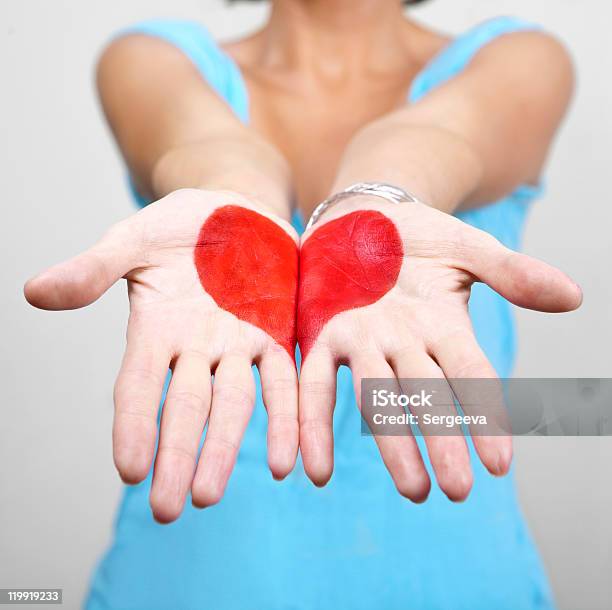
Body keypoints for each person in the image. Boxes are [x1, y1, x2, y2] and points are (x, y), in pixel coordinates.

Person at [24, 1, 583, 608]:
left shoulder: (520, 58)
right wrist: (238, 212)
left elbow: (437, 137)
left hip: (452, 582)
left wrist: (370, 211)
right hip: (185, 582)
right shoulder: (152, 58)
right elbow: (208, 143)